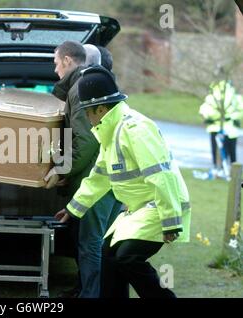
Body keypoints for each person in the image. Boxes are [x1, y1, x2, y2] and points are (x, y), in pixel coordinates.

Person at [56, 66, 191, 298]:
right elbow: (99, 177)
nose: (87, 119)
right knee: (108, 258)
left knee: (127, 257)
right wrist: (73, 209)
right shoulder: (110, 131)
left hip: (162, 205)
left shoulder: (135, 129)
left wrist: (170, 221)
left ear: (101, 109)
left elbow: (161, 175)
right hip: (140, 209)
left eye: (88, 112)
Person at [44, 41, 121, 298]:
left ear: (68, 60)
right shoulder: (89, 86)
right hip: (108, 178)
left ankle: (91, 294)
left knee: (91, 244)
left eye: (56, 62)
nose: (55, 69)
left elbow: (85, 141)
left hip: (96, 180)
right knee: (103, 243)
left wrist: (63, 170)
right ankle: (93, 291)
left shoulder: (78, 90)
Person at [199, 80, 242, 174]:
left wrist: (212, 118)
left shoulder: (213, 96)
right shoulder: (234, 95)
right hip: (230, 129)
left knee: (218, 151)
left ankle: (219, 169)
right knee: (231, 152)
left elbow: (204, 111)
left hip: (216, 128)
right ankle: (231, 172)